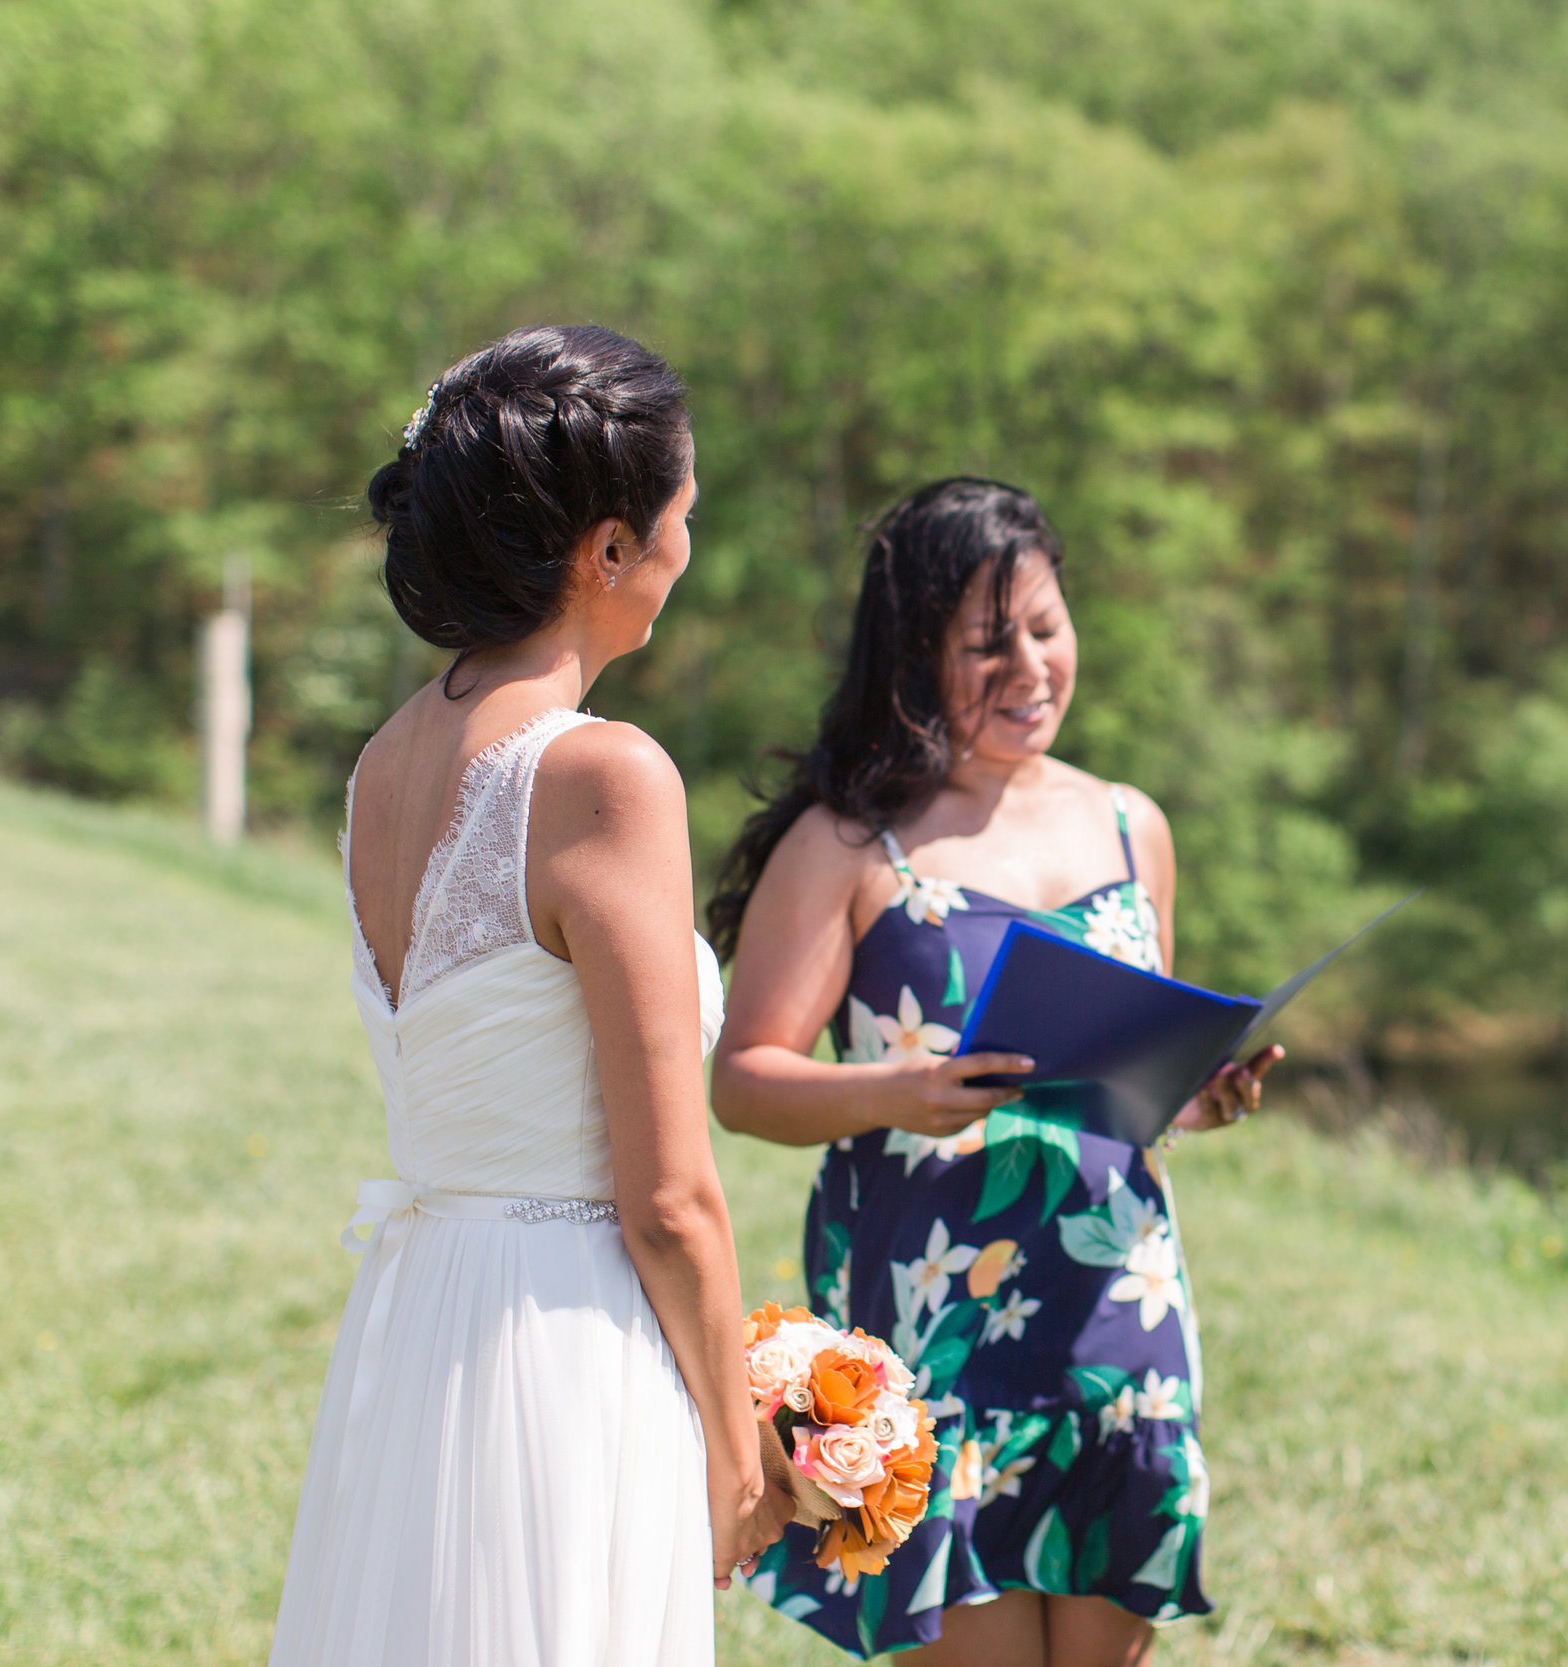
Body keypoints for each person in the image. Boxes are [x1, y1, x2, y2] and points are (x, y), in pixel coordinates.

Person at [269, 325, 789, 1665]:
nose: (686, 547)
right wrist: (741, 1445)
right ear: (608, 550)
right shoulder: (603, 775)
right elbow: (669, 1197)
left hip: (425, 1306)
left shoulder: (384, 760)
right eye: (681, 515)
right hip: (564, 1336)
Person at [705, 477, 1275, 1666]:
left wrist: (1193, 1095)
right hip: (930, 1338)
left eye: (1046, 627)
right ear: (912, 656)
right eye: (983, 642)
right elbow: (745, 1079)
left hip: (1115, 1313)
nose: (1029, 666)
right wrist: (892, 1092)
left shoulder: (1132, 825)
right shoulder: (849, 841)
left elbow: (1125, 1077)